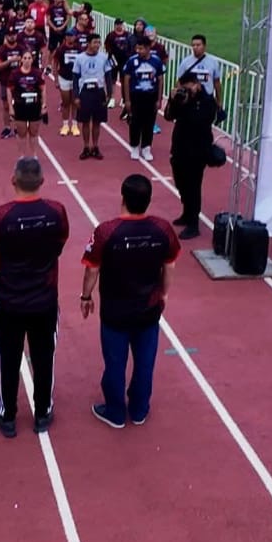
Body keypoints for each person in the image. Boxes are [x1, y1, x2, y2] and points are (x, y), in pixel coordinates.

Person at [80, 174, 179, 428]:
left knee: (115, 363)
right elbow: (169, 265)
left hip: (115, 313)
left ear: (122, 197)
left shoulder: (106, 232)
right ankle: (139, 409)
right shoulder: (162, 229)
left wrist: (86, 296)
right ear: (149, 200)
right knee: (145, 363)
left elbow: (92, 269)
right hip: (148, 310)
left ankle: (115, 412)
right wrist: (164, 293)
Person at [0, 157, 69, 437]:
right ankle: (42, 412)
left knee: (8, 359)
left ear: (13, 180)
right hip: (44, 300)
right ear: (41, 181)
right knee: (44, 357)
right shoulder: (56, 211)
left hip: (9, 301)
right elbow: (59, 245)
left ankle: (7, 416)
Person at [162, 71, 218, 240]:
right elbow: (168, 116)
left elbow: (199, 121)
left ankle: (193, 223)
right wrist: (173, 100)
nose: (186, 91)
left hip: (197, 151)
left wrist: (188, 103)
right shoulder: (181, 99)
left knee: (193, 186)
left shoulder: (207, 101)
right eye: (183, 88)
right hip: (179, 148)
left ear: (197, 85)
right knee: (180, 182)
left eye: (188, 88)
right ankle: (186, 213)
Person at [122, 38, 165, 161]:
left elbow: (160, 80)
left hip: (151, 96)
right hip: (136, 96)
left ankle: (146, 147)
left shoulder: (156, 61)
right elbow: (126, 80)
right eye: (137, 48)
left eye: (141, 49)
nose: (138, 51)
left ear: (148, 48)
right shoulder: (132, 61)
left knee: (149, 123)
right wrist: (127, 100)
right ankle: (135, 146)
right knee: (135, 122)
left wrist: (159, 99)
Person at [72, 34, 112, 160]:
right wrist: (76, 96)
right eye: (95, 42)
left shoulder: (104, 57)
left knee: (97, 121)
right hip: (85, 92)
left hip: (99, 92)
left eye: (99, 42)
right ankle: (86, 147)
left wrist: (109, 94)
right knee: (85, 121)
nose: (97, 45)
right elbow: (75, 78)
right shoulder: (79, 58)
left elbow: (108, 76)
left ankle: (95, 147)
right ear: (88, 43)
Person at [6, 49, 46, 159]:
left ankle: (34, 155)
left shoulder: (37, 73)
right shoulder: (15, 74)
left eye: (29, 58)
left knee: (34, 132)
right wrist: (10, 107)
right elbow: (9, 90)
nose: (27, 60)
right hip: (20, 107)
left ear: (32, 60)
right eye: (25, 58)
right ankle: (22, 156)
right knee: (21, 133)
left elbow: (43, 89)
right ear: (21, 60)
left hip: (34, 106)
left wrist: (44, 105)